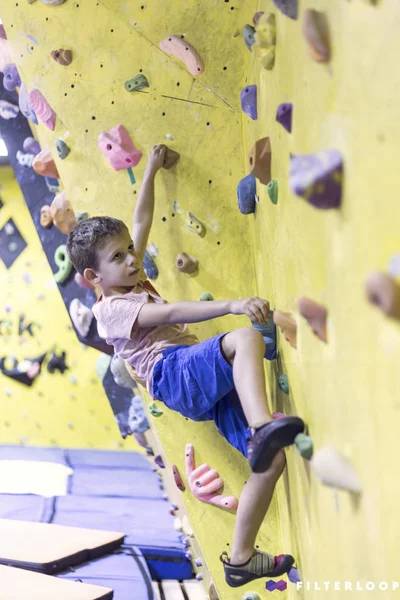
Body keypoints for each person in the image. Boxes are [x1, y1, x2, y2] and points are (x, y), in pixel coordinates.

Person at [66, 145, 305, 587]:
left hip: (188, 380)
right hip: (171, 372)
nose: (132, 260)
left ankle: (239, 558)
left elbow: (140, 221)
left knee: (270, 465)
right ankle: (262, 427)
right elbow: (170, 315)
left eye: (128, 252)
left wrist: (153, 170)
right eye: (117, 258)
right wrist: (234, 304)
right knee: (245, 338)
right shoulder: (110, 310)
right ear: (93, 279)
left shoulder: (131, 279)